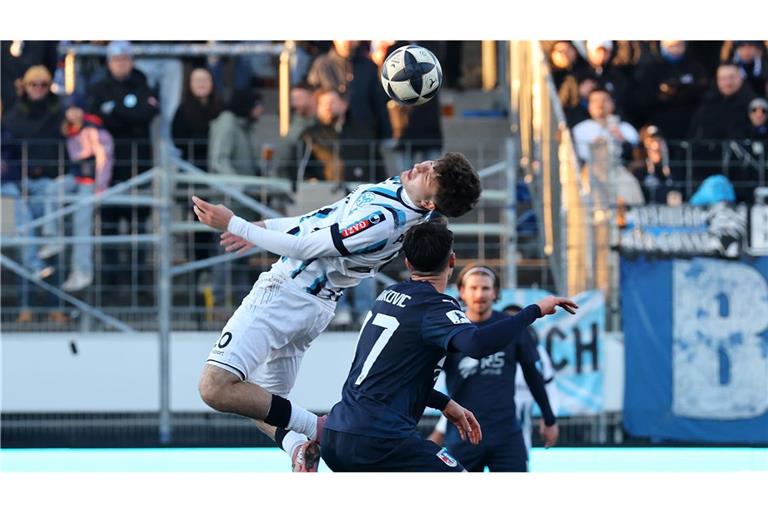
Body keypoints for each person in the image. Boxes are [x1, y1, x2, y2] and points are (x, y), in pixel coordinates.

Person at [191, 152, 482, 471]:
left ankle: (318, 430)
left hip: (286, 294)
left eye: (430, 175)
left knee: (215, 386)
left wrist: (234, 223)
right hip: (311, 304)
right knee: (265, 405)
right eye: (431, 164)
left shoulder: (385, 220)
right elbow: (320, 220)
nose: (422, 167)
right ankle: (297, 446)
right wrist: (261, 227)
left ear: (430, 203)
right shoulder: (403, 194)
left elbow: (306, 248)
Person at [320, 223, 577, 472]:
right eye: (474, 288)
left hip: (340, 432)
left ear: (408, 262)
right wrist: (536, 310)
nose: (480, 294)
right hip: (382, 440)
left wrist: (444, 403)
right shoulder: (437, 308)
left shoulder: (388, 296)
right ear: (452, 262)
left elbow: (395, 375)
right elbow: (476, 345)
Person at [426, 265, 560, 472]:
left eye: (486, 288)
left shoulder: (510, 326)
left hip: (506, 434)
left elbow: (533, 375)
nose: (479, 294)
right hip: (463, 435)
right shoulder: (450, 328)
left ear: (496, 292)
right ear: (461, 291)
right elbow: (423, 380)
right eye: (473, 288)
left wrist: (549, 419)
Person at [171, 67, 223, 169]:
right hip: (191, 164)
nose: (201, 83)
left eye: (205, 79)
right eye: (197, 80)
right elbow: (178, 140)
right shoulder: (182, 110)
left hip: (217, 163)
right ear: (190, 84)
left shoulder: (222, 108)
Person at [572, 88, 639, 165]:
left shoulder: (626, 128)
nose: (600, 104)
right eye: (595, 101)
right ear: (589, 106)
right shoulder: (579, 130)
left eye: (605, 100)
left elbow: (636, 155)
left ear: (613, 103)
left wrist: (622, 140)